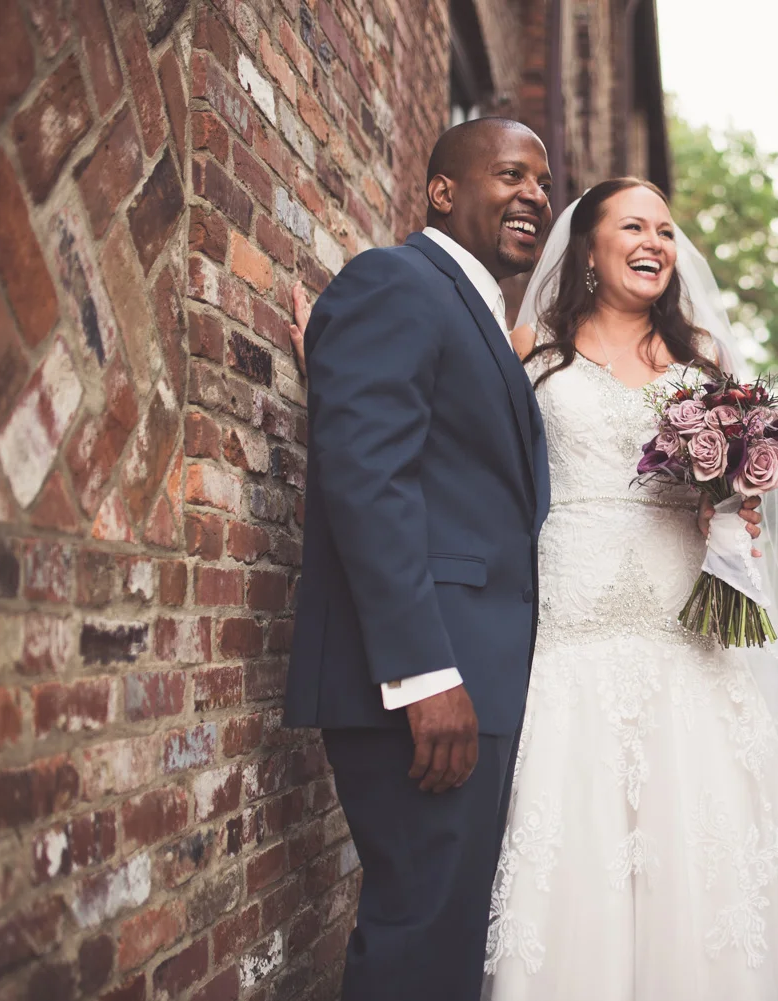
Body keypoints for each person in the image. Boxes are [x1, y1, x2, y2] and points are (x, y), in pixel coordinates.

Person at [488, 178, 778, 999]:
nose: (655, 243)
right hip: (574, 619)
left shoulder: (704, 359)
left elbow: (746, 496)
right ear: (588, 248)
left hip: (685, 619)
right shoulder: (529, 344)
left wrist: (734, 507)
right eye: (633, 226)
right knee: (576, 822)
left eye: (666, 231)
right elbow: (473, 451)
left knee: (700, 822)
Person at [283, 118, 555, 1001]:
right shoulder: (397, 281)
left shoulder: (474, 311)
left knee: (447, 935)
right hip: (423, 685)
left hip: (473, 679)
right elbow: (368, 479)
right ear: (442, 190)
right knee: (421, 939)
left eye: (543, 184)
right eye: (510, 174)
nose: (535, 196)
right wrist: (423, 672)